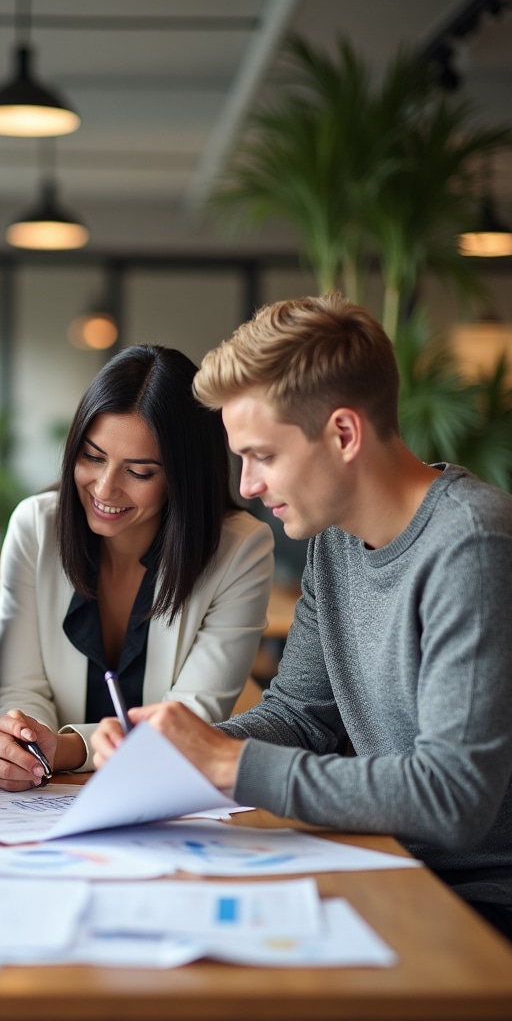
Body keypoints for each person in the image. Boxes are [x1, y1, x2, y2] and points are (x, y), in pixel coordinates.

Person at [93, 294, 512, 939]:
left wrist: (228, 765)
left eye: (262, 455)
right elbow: (300, 715)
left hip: (477, 899)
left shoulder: (472, 542)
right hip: (380, 864)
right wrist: (173, 754)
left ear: (344, 434)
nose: (249, 485)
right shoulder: (337, 538)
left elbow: (451, 796)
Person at [0, 344, 274, 791]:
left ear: (183, 477)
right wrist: (24, 743)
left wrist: (66, 749)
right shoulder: (35, 526)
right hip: (44, 798)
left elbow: (191, 718)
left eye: (139, 472)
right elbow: (21, 688)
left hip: (162, 795)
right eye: (93, 457)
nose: (104, 488)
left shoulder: (241, 550)